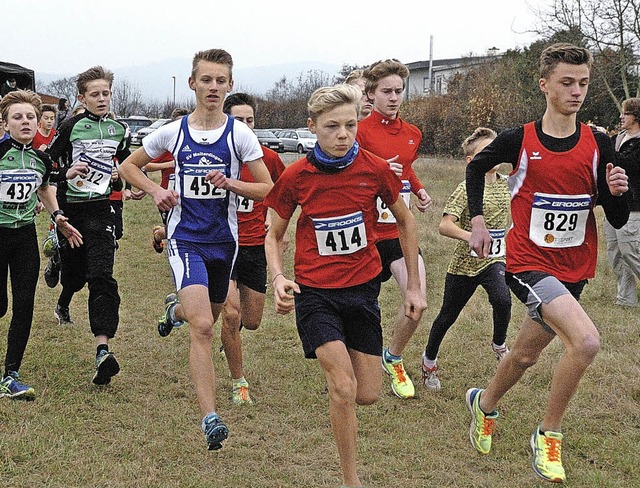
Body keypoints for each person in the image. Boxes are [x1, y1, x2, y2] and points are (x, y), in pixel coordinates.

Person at [464, 43, 629, 483]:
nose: (577, 91)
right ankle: (548, 434)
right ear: (545, 85)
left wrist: (617, 192)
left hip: (574, 267)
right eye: (567, 82)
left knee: (522, 357)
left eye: (584, 83)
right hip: (527, 262)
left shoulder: (600, 143)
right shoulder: (518, 139)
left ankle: (484, 404)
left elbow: (614, 215)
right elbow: (476, 168)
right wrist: (478, 220)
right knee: (587, 342)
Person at [264, 83, 426, 488]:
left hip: (362, 289)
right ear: (312, 127)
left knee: (367, 393)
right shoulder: (297, 175)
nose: (342, 135)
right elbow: (275, 234)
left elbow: (406, 221)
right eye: (332, 126)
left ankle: (342, 392)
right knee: (343, 385)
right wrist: (280, 277)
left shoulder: (374, 169)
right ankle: (350, 479)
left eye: (351, 125)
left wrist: (413, 286)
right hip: (315, 293)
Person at [118, 48, 273, 451]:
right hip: (185, 240)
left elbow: (269, 188)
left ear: (230, 86)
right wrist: (156, 189)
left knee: (214, 314)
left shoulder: (240, 134)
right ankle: (210, 417)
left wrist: (232, 184)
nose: (214, 87)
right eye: (207, 80)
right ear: (193, 83)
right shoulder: (173, 131)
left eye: (221, 81)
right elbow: (128, 167)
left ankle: (176, 310)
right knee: (204, 327)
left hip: (226, 243)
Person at [48, 66, 129, 385]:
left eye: (105, 93)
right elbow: (48, 165)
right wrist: (67, 172)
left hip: (102, 211)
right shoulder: (70, 126)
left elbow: (125, 160)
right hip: (72, 212)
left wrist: (123, 176)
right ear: (82, 98)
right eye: (94, 94)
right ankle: (63, 297)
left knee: (101, 277)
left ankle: (103, 351)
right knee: (75, 275)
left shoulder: (119, 128)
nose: (101, 99)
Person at [356, 58, 431, 399]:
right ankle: (359, 363)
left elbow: (407, 169)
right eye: (386, 91)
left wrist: (418, 188)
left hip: (398, 232)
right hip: (365, 235)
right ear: (370, 94)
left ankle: (393, 356)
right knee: (362, 309)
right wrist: (375, 169)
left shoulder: (412, 134)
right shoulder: (358, 132)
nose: (394, 97)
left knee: (417, 303)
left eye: (399, 91)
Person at [0, 90, 82, 399]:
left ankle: (10, 375)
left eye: (30, 117)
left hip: (23, 237)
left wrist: (58, 215)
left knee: (24, 305)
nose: (25, 122)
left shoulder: (40, 158)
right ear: (6, 124)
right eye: (17, 117)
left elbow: (45, 187)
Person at [421, 127, 511, 391]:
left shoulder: (507, 182)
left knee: (502, 299)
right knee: (447, 316)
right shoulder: (466, 188)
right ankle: (429, 363)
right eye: (486, 152)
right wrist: (471, 235)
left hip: (494, 260)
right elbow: (444, 225)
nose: (493, 156)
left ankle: (499, 344)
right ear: (471, 161)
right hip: (465, 264)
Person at [220, 92, 285, 405]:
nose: (245, 125)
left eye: (250, 120)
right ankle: (239, 381)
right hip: (222, 245)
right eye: (238, 120)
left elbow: (285, 196)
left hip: (254, 247)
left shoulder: (267, 159)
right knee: (231, 315)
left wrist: (274, 222)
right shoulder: (215, 156)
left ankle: (229, 337)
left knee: (252, 320)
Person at [603, 97, 640, 306]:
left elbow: (629, 164)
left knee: (631, 251)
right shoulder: (617, 139)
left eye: (625, 113)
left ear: (636, 116)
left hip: (634, 206)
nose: (621, 117)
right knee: (615, 253)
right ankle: (626, 299)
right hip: (613, 205)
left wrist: (608, 153)